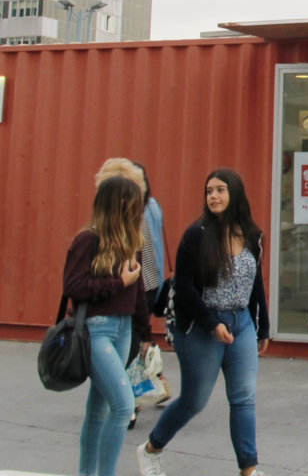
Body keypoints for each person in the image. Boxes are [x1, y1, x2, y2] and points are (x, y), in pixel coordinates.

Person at [137, 168, 270, 476]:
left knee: (243, 398)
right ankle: (150, 449)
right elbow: (183, 288)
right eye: (209, 191)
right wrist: (213, 324)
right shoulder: (195, 235)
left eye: (220, 190)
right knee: (195, 401)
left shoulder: (251, 235)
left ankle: (249, 470)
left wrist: (261, 326)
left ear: (234, 193)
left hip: (242, 324)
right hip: (200, 327)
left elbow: (256, 285)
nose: (213, 196)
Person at [62, 174, 149, 476]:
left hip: (124, 330)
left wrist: (146, 333)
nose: (140, 210)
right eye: (136, 203)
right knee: (124, 407)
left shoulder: (131, 242)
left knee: (98, 410)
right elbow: (73, 286)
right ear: (120, 204)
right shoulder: (88, 239)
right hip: (96, 330)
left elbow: (137, 292)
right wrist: (118, 282)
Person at [132, 161, 172, 408]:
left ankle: (133, 395)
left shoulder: (136, 213)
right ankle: (158, 381)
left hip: (140, 283)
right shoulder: (154, 206)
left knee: (134, 337)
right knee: (139, 333)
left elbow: (139, 251)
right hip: (153, 282)